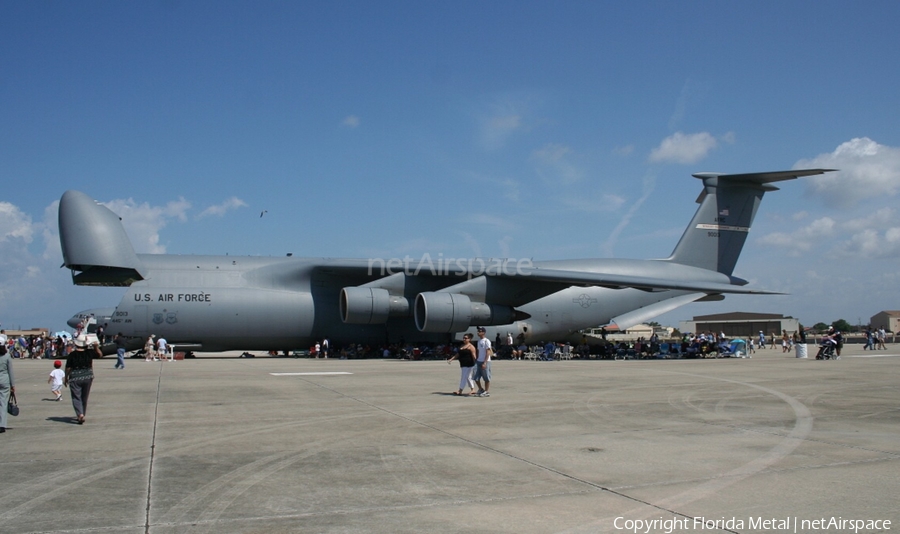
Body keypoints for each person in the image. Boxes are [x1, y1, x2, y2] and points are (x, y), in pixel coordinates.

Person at [65, 335, 101, 424]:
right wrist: (96, 347)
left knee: (76, 397)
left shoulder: (72, 354)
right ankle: (82, 414)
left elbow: (68, 367)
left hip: (75, 377)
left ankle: (80, 414)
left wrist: (66, 377)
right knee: (84, 397)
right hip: (88, 376)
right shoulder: (89, 352)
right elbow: (100, 355)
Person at [473, 327, 492, 397]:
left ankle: (486, 391)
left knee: (486, 377)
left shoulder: (486, 341)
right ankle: (481, 389)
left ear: (483, 332)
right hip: (478, 361)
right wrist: (477, 359)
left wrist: (485, 362)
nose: (478, 332)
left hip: (485, 361)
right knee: (475, 376)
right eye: (478, 331)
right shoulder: (479, 341)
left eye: (480, 331)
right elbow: (478, 351)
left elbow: (488, 352)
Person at [0, 345, 15, 433]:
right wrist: (13, 385)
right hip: (4, 381)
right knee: (3, 403)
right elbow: (10, 371)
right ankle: (2, 425)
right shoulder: (7, 356)